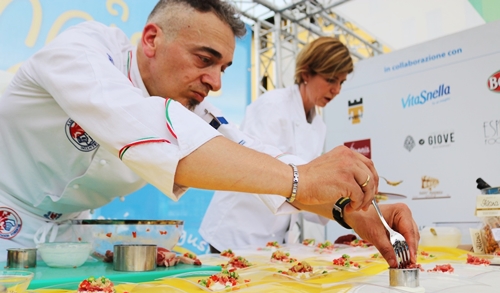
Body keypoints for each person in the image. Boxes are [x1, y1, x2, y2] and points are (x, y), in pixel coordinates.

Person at [0, 0, 418, 268]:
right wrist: (304, 180)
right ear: (151, 40)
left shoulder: (194, 108)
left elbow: (254, 153)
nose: (215, 82)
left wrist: (354, 211)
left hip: (67, 241)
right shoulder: (85, 51)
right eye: (205, 60)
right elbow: (142, 126)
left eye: (223, 69)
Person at [200, 36, 352, 250]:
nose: (337, 90)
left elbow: (303, 188)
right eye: (331, 80)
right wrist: (319, 192)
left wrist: (339, 201)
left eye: (341, 82)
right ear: (306, 73)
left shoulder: (318, 125)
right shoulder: (273, 106)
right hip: (237, 231)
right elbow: (256, 172)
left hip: (273, 239)